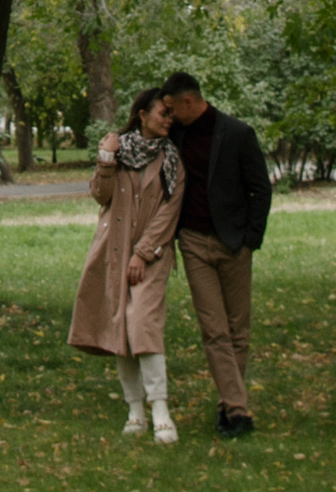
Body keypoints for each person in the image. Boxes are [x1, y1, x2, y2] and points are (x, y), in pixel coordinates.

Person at [160, 70, 272, 440]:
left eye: (173, 109)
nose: (170, 116)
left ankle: (227, 404)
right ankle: (238, 411)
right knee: (214, 329)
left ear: (189, 102)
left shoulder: (238, 134)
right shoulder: (175, 135)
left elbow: (261, 189)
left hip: (233, 244)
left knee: (238, 330)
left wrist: (250, 240)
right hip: (193, 243)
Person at [67, 86, 183, 443]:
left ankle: (160, 408)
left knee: (142, 324)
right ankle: (135, 410)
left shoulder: (172, 159)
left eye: (171, 113)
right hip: (112, 252)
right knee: (119, 327)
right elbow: (100, 196)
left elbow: (169, 212)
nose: (169, 119)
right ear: (143, 115)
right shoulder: (118, 149)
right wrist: (105, 160)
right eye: (163, 113)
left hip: (153, 256)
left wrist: (143, 252)